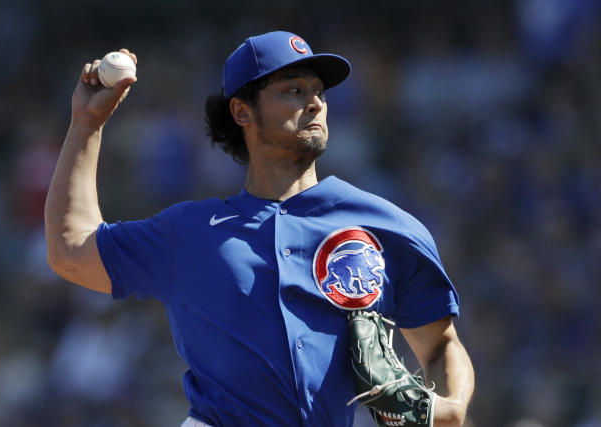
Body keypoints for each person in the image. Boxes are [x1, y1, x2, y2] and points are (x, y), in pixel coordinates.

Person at [45, 31, 475, 426]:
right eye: (293, 90)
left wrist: (450, 409)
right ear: (242, 110)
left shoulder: (385, 226)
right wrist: (86, 125)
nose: (315, 103)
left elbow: (439, 346)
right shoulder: (192, 232)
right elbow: (71, 250)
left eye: (318, 92)